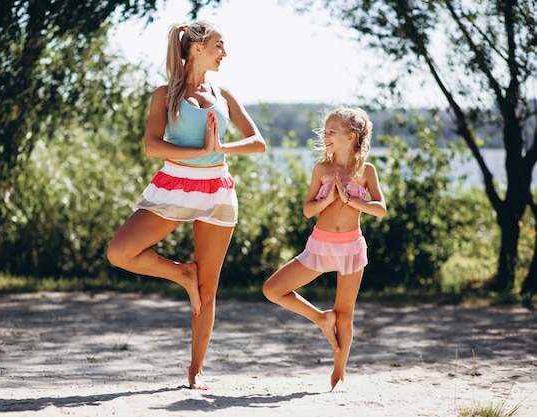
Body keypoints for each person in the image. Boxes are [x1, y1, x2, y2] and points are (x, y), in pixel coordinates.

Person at [106, 20, 266, 390]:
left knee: (208, 289)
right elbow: (152, 145)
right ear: (196, 48)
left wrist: (221, 150)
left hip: (218, 192)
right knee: (120, 251)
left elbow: (257, 142)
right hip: (174, 186)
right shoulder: (165, 94)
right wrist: (200, 152)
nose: (225, 53)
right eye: (218, 46)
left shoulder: (224, 94)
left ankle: (196, 372)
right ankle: (182, 274)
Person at [262, 106, 386, 392]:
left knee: (346, 314)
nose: (325, 135)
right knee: (272, 289)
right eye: (325, 131)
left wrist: (352, 200)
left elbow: (380, 209)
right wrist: (329, 197)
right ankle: (321, 318)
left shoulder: (366, 170)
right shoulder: (322, 168)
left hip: (352, 248)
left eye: (332, 131)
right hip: (320, 245)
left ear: (351, 136)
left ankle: (338, 375)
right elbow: (308, 210)